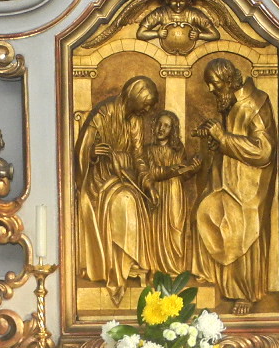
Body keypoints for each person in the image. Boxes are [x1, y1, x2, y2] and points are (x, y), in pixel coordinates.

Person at [194, 58, 278, 314]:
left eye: (214, 83)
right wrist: (215, 142)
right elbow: (230, 140)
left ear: (229, 81)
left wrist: (223, 137)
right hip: (226, 180)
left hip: (248, 186)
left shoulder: (256, 103)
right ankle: (218, 283)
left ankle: (245, 292)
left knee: (243, 231)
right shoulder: (230, 102)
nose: (210, 89)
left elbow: (264, 150)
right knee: (205, 213)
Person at [75, 75, 160, 305]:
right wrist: (92, 153)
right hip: (98, 180)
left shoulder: (135, 121)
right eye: (146, 104)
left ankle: (128, 263)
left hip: (124, 177)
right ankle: (118, 268)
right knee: (125, 201)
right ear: (134, 97)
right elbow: (81, 151)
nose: (147, 110)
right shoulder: (103, 114)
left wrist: (148, 184)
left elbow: (139, 157)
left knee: (130, 198)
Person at [142, 110, 202, 278]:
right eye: (159, 124)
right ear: (154, 126)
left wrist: (192, 169)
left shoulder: (178, 150)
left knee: (176, 228)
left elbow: (183, 174)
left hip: (175, 193)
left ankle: (175, 271)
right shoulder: (148, 150)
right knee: (156, 231)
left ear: (172, 130)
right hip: (157, 193)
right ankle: (157, 270)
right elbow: (151, 173)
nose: (162, 128)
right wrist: (173, 169)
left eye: (167, 126)